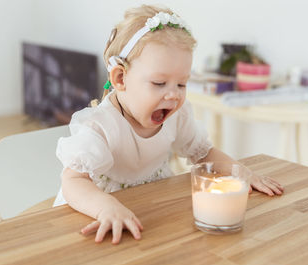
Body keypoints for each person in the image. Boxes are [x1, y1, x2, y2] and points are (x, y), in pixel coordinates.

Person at [54, 4, 284, 244]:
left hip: (154, 210)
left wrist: (240, 172)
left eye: (181, 84)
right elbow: (73, 181)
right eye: (159, 83)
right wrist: (105, 208)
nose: (173, 95)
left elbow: (203, 153)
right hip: (101, 213)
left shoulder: (177, 115)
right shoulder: (100, 125)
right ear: (121, 78)